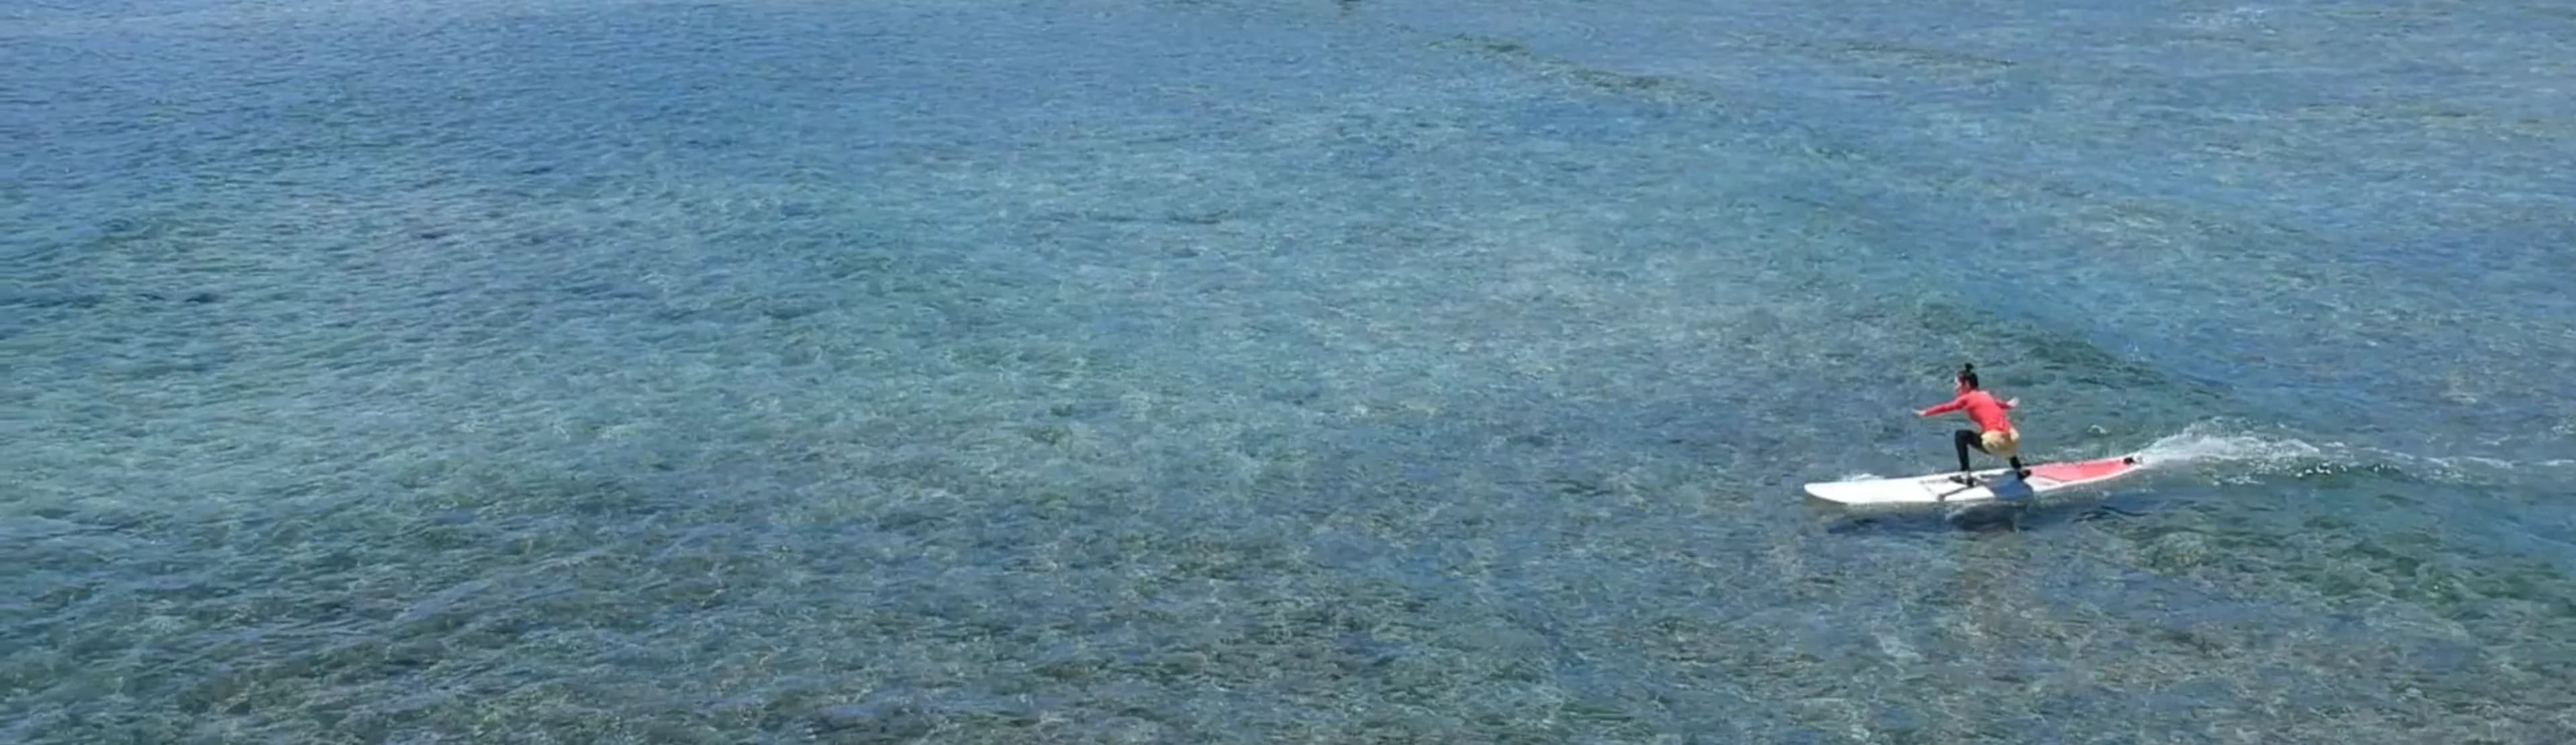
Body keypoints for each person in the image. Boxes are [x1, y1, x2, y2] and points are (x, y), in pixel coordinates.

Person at [1917, 363, 2024, 485]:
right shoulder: (1985, 395)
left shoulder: (1967, 398)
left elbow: (1946, 407)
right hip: (2013, 442)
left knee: (1961, 435)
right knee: (2000, 427)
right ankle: (2020, 470)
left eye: (1957, 384)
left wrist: (1926, 412)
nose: (1955, 388)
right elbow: (2000, 404)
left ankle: (1965, 475)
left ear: (1967, 385)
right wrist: (2009, 405)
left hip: (1994, 444)